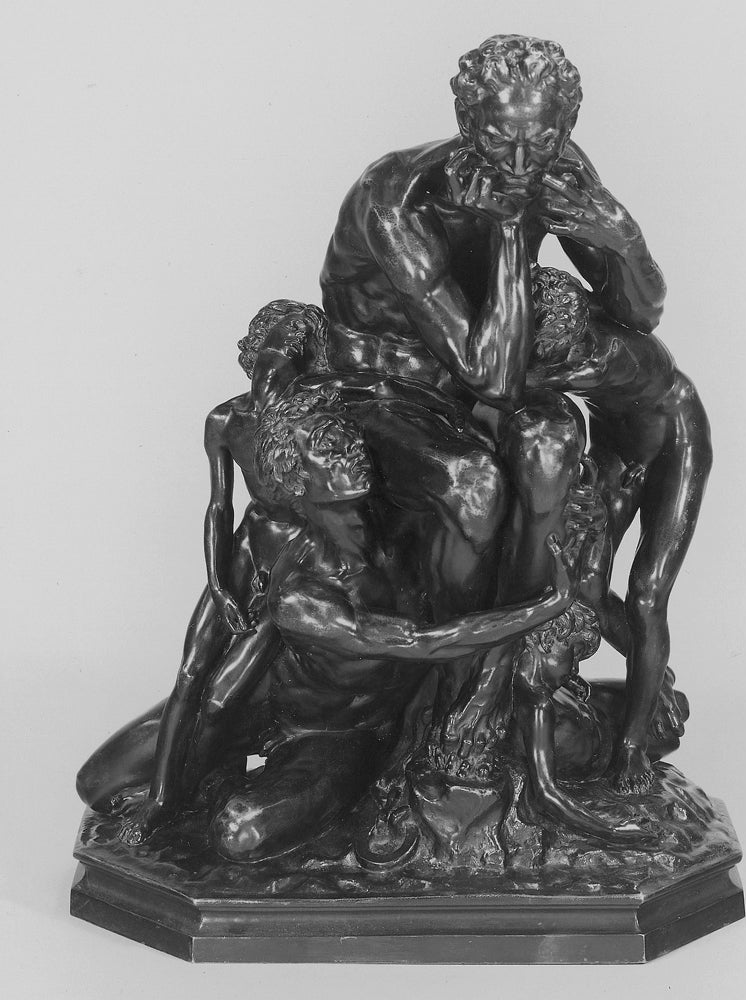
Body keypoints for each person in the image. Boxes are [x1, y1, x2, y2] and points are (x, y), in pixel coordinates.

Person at [319, 34, 667, 740]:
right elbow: (495, 381)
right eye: (499, 139)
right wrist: (509, 230)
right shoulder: (396, 198)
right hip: (379, 387)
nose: (518, 163)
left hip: (477, 369)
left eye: (540, 142)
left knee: (553, 443)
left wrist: (623, 239)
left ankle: (515, 671)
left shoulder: (557, 168)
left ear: (565, 127)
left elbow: (641, 313)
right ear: (466, 121)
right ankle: (454, 685)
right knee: (471, 486)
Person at [206, 387, 595, 862]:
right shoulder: (301, 596)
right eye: (329, 448)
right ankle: (211, 777)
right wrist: (548, 604)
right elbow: (425, 642)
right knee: (125, 779)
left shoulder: (405, 529)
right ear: (295, 478)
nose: (351, 451)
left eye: (348, 438)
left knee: (240, 832)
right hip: (288, 713)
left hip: (348, 730)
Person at [77, 299, 330, 841]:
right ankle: (164, 797)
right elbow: (219, 507)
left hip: (294, 563)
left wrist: (278, 586)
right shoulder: (226, 419)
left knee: (221, 695)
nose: (283, 353)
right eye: (277, 339)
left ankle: (190, 790)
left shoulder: (308, 426)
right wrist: (218, 583)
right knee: (189, 674)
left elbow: (322, 519)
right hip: (243, 552)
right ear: (256, 344)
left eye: (297, 346)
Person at [525, 266, 712, 793]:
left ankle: (631, 744)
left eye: (548, 345)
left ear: (571, 330)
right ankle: (655, 678)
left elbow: (509, 383)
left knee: (647, 595)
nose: (541, 353)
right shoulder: (558, 341)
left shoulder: (601, 355)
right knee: (585, 586)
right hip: (617, 447)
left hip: (675, 444)